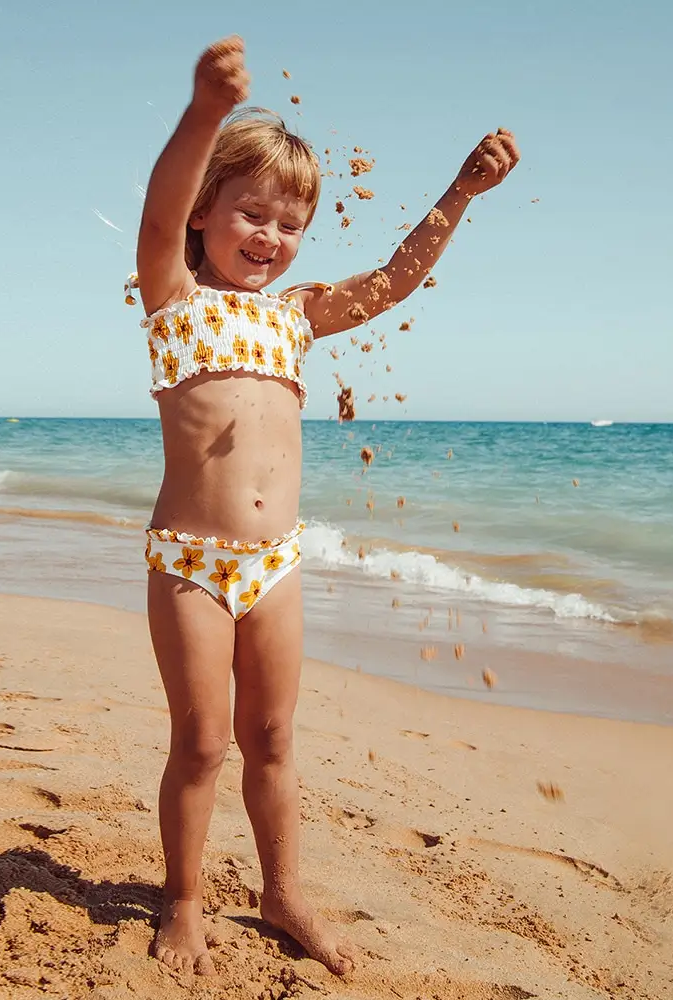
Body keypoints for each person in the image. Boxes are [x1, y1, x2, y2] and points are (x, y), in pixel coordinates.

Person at [132, 35, 519, 977]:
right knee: (203, 742)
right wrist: (204, 113)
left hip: (278, 563)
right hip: (191, 559)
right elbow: (157, 210)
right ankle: (184, 899)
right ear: (204, 216)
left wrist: (459, 194)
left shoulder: (296, 314)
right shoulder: (172, 297)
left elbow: (393, 281)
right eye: (248, 213)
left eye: (288, 222)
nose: (268, 235)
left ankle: (283, 891)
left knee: (272, 739)